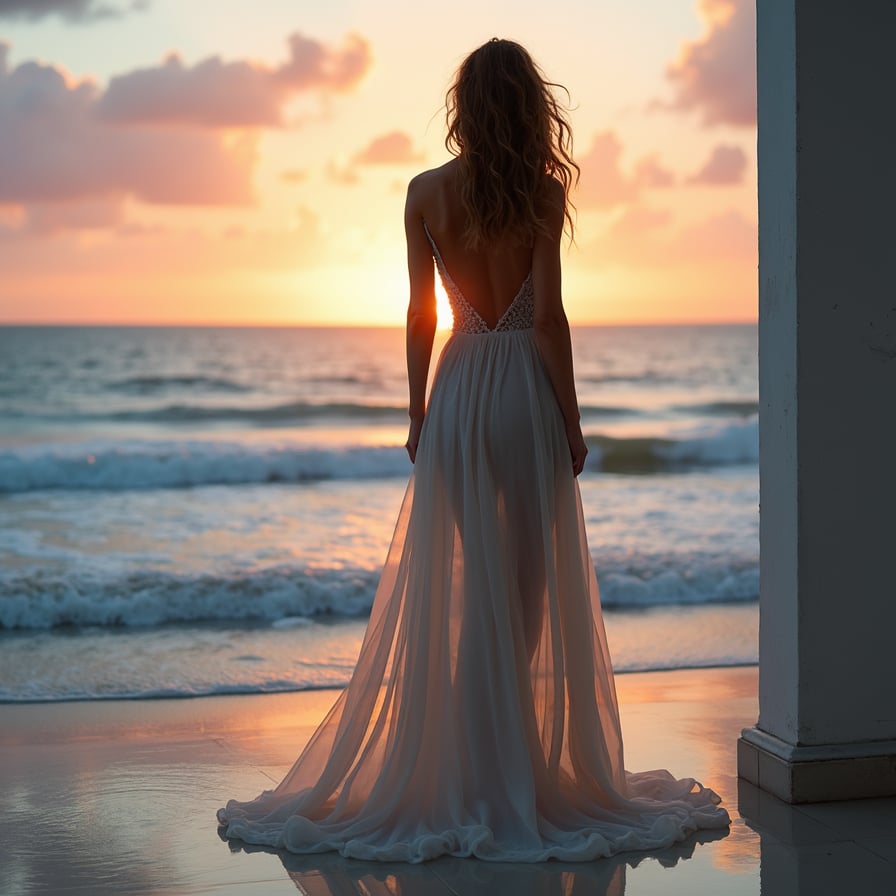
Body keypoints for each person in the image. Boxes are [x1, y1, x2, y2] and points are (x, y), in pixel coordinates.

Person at [218, 37, 730, 863]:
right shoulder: (542, 191)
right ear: (530, 105)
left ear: (462, 103)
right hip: (523, 393)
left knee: (473, 578)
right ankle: (499, 760)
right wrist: (573, 422)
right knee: (522, 589)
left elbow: (420, 313)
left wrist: (417, 411)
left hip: (458, 393)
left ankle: (467, 758)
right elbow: (549, 319)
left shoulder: (424, 193)